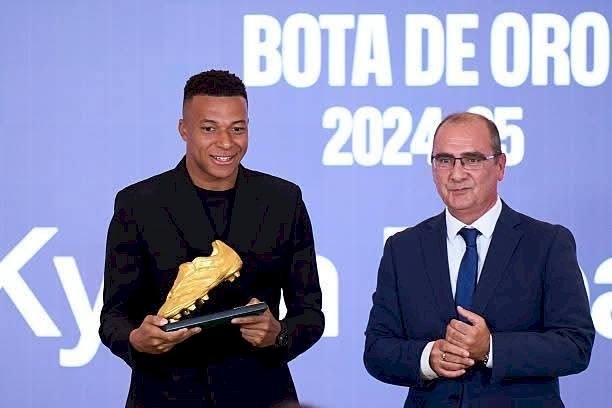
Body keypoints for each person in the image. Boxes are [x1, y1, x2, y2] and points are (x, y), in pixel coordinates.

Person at [99, 70, 324, 408]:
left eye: (237, 128)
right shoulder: (139, 204)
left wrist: (278, 335)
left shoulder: (283, 200)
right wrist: (136, 340)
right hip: (164, 395)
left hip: (261, 394)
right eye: (209, 128)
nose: (226, 142)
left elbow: (310, 313)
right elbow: (113, 316)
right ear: (184, 129)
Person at [364, 112, 594, 407]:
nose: (456, 174)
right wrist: (427, 358)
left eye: (471, 159)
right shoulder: (403, 248)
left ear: (500, 166)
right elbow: (377, 349)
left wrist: (491, 349)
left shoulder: (547, 243)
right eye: (444, 160)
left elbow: (575, 345)